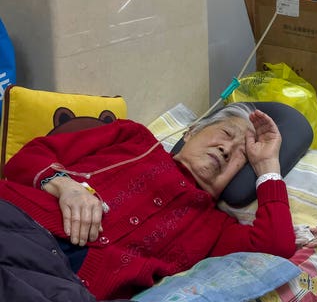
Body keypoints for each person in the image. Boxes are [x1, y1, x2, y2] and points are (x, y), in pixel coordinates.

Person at [0, 102, 296, 300]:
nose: (226, 149)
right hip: (18, 222)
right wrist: (64, 185)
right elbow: (29, 157)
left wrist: (267, 165)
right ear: (191, 130)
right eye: (226, 133)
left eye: (241, 156)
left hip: (64, 284)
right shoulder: (134, 138)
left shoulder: (215, 228)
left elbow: (276, 246)